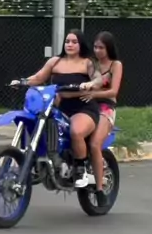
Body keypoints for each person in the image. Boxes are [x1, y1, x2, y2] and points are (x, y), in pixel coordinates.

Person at [10, 29, 103, 191]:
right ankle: (44, 159)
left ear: (81, 45)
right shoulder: (55, 61)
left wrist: (90, 84)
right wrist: (22, 81)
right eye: (67, 41)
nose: (70, 44)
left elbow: (98, 79)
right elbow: (38, 78)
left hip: (83, 107)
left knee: (76, 132)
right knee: (38, 122)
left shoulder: (87, 62)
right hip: (60, 106)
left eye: (74, 42)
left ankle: (80, 171)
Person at [79, 31, 123, 204]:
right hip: (88, 105)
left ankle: (99, 190)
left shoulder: (115, 65)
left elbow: (113, 91)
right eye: (95, 47)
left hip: (106, 107)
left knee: (94, 144)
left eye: (101, 48)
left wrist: (94, 94)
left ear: (108, 48)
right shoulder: (91, 64)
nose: (97, 50)